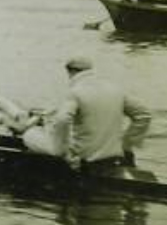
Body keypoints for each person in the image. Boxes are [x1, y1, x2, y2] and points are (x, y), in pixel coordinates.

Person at [22, 56, 151, 170]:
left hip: (83, 157)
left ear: (70, 71)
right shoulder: (115, 88)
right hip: (113, 154)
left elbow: (62, 120)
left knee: (29, 134)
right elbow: (143, 115)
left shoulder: (75, 92)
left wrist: (64, 153)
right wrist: (126, 145)